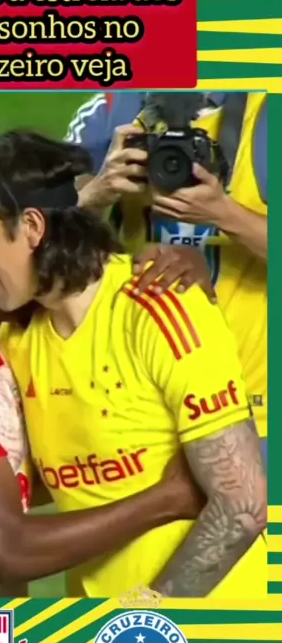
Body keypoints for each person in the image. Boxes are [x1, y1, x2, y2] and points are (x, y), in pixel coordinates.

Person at [0, 129, 267, 599]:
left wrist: (145, 614)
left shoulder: (160, 308)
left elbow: (241, 506)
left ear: (33, 228)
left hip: (207, 625)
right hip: (99, 621)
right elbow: (49, 476)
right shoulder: (15, 338)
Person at [0, 172, 206, 598]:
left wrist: (183, 265)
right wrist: (169, 497)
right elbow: (13, 550)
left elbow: (33, 472)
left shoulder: (1, 345)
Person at [64, 92, 268, 464]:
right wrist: (96, 193)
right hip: (133, 405)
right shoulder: (111, 111)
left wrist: (223, 213)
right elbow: (35, 242)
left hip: (250, 409)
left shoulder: (266, 112)